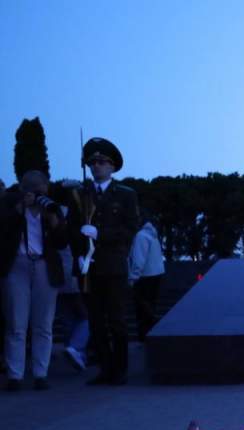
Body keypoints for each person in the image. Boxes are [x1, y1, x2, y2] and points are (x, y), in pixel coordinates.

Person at [69, 137, 139, 385]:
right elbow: (71, 229)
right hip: (88, 268)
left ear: (112, 166)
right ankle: (105, 369)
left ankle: (120, 370)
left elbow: (130, 229)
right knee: (96, 321)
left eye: (101, 162)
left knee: (117, 320)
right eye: (92, 163)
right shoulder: (80, 195)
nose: (96, 166)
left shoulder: (126, 195)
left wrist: (101, 234)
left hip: (113, 265)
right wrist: (79, 250)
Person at [0, 170, 69, 390]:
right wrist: (20, 211)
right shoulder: (10, 207)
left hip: (44, 267)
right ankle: (15, 375)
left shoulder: (52, 207)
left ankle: (41, 373)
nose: (40, 195)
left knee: (43, 324)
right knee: (16, 324)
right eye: (35, 191)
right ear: (23, 190)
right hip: (16, 266)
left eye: (43, 191)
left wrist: (54, 220)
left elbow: (61, 243)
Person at [128, 214, 164, 341]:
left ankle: (144, 337)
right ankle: (151, 336)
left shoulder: (141, 236)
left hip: (144, 278)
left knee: (142, 311)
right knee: (150, 307)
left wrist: (133, 278)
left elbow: (139, 259)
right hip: (156, 275)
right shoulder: (153, 236)